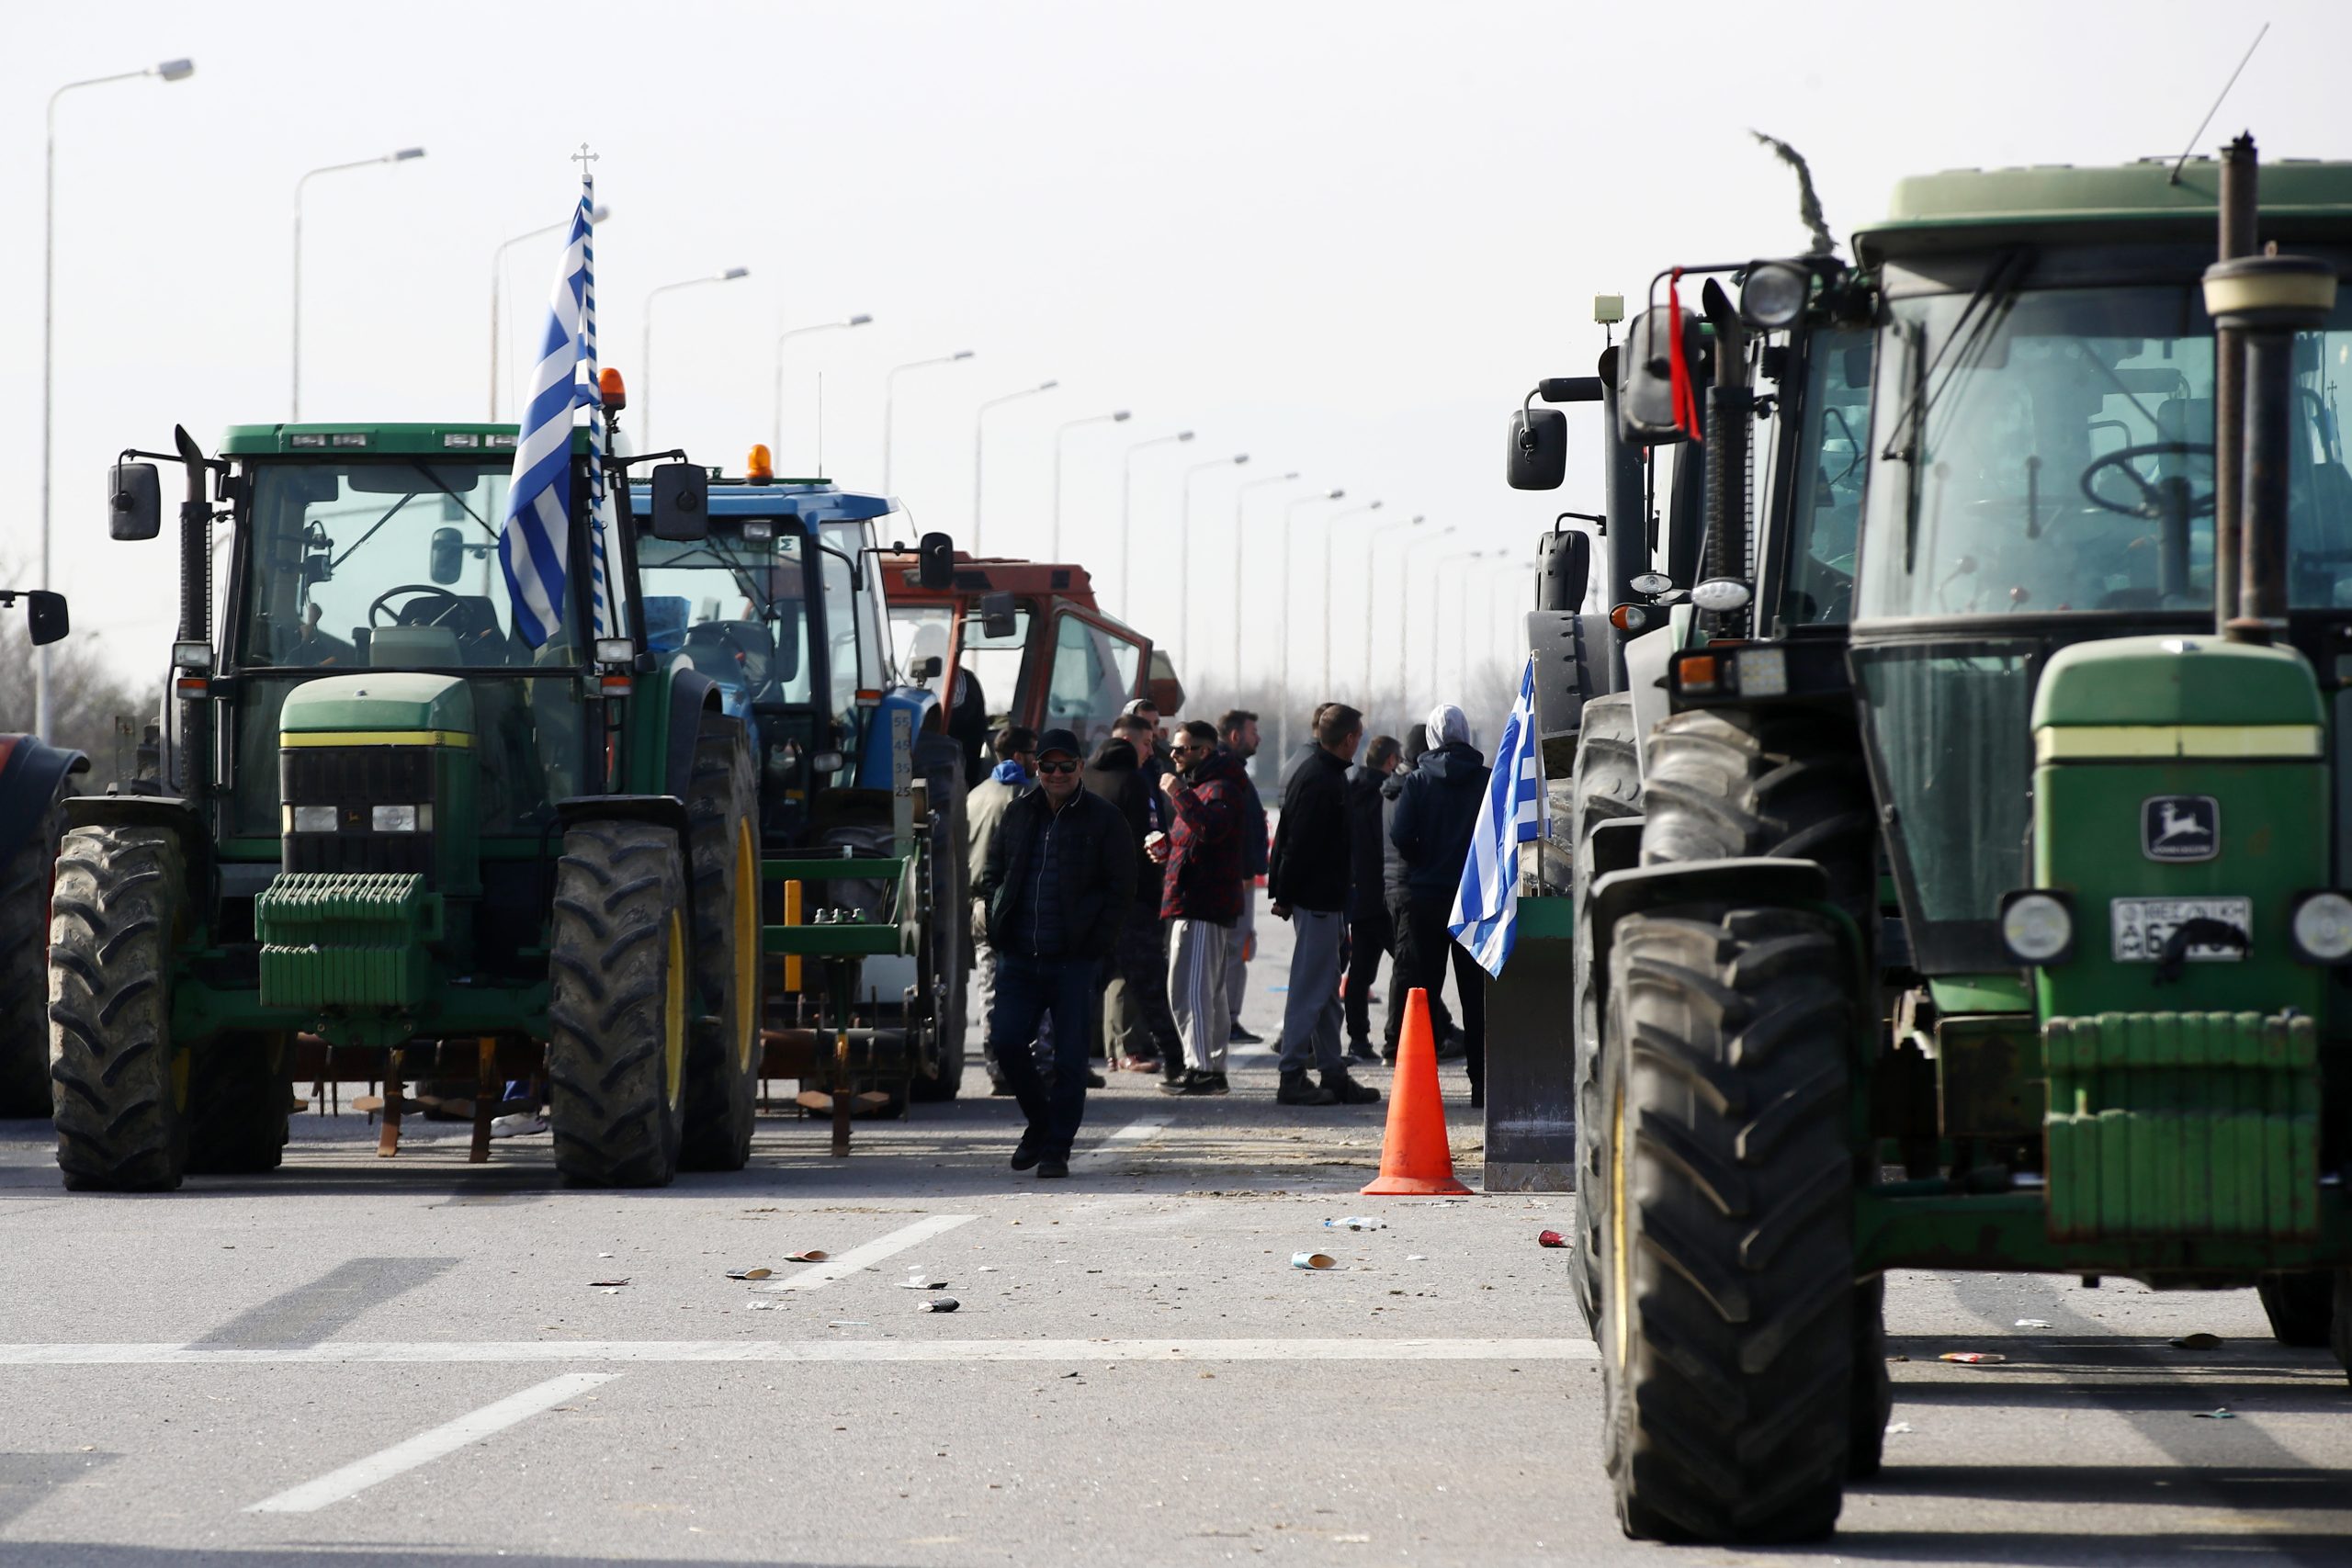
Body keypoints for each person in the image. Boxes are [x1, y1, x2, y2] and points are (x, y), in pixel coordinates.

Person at [974, 728, 1136, 1178]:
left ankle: (1056, 1149)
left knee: (1068, 1060)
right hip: (1019, 956)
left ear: (1081, 768)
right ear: (1037, 768)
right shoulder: (1018, 813)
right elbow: (993, 873)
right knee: (1006, 1042)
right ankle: (1040, 1123)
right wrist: (997, 918)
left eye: (1067, 766)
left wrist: (1096, 944)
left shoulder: (1104, 819)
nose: (1057, 774)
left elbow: (1121, 890)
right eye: (1048, 766)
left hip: (1073, 961)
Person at [1268, 704, 1382, 1107]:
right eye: (1358, 736)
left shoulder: (1319, 773)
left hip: (1326, 901)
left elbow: (1288, 838)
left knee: (1326, 992)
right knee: (1310, 990)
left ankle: (1333, 1071)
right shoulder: (1322, 780)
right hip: (1317, 900)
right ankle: (1292, 1075)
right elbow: (1297, 844)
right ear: (1349, 738)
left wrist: (1284, 891)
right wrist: (1285, 893)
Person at [1389, 703, 1492, 1106]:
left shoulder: (1417, 782)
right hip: (1473, 900)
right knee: (1476, 996)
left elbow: (1400, 835)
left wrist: (1423, 861)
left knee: (1422, 993)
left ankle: (1417, 1087)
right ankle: (1481, 1085)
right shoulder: (1486, 779)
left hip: (1426, 898)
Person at [1155, 719, 1249, 1096]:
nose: (1174, 755)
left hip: (1203, 904)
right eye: (1174, 749)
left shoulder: (1221, 787)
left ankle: (1204, 1068)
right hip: (1192, 901)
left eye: (1181, 749)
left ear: (1203, 752)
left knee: (1192, 990)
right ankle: (1208, 1065)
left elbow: (1212, 829)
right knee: (1200, 989)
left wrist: (1178, 793)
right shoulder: (1204, 786)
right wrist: (1167, 847)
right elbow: (1196, 838)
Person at [1088, 714, 1183, 1077]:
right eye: (1147, 743)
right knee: (1149, 984)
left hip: (1088, 903)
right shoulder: (1133, 783)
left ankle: (1077, 1061)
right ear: (1130, 741)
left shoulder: (1085, 778)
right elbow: (1145, 843)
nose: (1150, 751)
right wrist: (1152, 892)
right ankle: (1176, 1060)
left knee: (1085, 985)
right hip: (1131, 902)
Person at [967, 725, 1037, 1095]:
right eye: (1035, 754)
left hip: (980, 906)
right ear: (1018, 757)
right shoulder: (1028, 795)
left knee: (990, 989)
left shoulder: (975, 795)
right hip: (1022, 904)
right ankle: (1033, 1065)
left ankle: (997, 1069)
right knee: (1033, 988)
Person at [1381, 723, 1456, 1061]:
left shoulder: (1391, 786)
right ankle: (1401, 1041)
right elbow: (1404, 837)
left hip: (1394, 885)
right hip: (1410, 886)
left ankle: (1430, 1032)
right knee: (1412, 971)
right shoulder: (1416, 786)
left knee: (1411, 969)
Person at [1344, 734, 1402, 1059]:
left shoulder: (1349, 790)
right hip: (1385, 892)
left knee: (1360, 971)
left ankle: (1358, 1039)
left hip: (1358, 894)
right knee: (1410, 966)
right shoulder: (1388, 793)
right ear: (1392, 760)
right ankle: (1438, 1027)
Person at [1216, 708, 1269, 1045]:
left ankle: (1228, 1017)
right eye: (1252, 732)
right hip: (1234, 881)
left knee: (1236, 950)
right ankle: (1227, 1020)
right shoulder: (1227, 773)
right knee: (1233, 951)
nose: (1258, 738)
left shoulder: (1235, 772)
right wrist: (1243, 872)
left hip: (1241, 877)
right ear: (1235, 736)